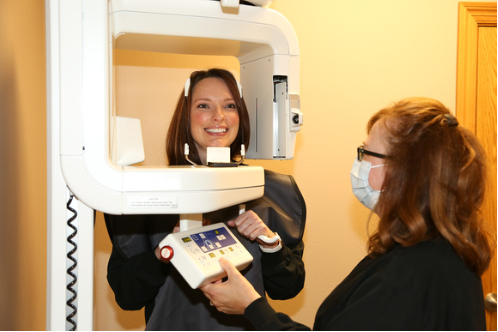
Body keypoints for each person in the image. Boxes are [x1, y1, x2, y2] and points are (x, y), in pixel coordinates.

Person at [201, 97, 494, 330]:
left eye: (366, 153)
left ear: (403, 171)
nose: (359, 163)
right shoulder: (440, 250)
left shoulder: (410, 272)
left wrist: (252, 306)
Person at [104, 68, 307, 330]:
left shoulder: (275, 194)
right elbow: (127, 295)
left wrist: (270, 245)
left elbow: (287, 289)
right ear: (185, 117)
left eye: (230, 105)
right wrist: (164, 252)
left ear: (240, 115)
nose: (218, 116)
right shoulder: (148, 193)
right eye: (204, 105)